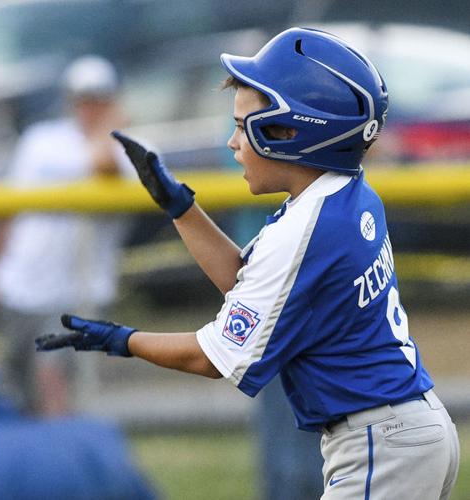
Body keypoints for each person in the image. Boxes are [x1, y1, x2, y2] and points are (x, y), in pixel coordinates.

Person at [36, 28, 460, 499]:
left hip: (380, 443)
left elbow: (212, 357)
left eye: (244, 126)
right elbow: (251, 284)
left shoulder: (306, 228)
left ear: (292, 132)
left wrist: (122, 340)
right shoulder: (343, 195)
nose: (233, 142)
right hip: (408, 430)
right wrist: (181, 208)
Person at [0, 55, 134, 415]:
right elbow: (11, 208)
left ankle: (62, 465)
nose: (89, 106)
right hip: (20, 286)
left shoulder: (130, 147)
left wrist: (112, 125)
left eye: (98, 98)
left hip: (75, 295)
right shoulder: (42, 139)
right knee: (18, 395)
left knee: (56, 390)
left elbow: (104, 166)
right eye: (82, 97)